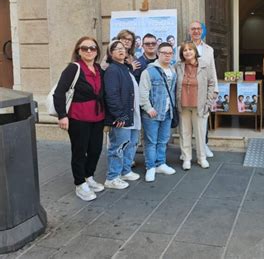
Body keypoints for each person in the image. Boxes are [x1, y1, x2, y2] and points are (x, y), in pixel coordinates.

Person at [53, 36, 105, 201]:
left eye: (92, 48)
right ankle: (80, 183)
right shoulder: (73, 69)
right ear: (78, 51)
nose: (89, 51)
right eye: (85, 48)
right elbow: (59, 92)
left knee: (96, 149)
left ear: (97, 51)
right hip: (78, 118)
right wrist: (62, 115)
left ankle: (88, 176)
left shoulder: (98, 69)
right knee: (79, 151)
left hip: (98, 117)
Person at [103, 40, 141, 190]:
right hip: (121, 117)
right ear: (110, 53)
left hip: (131, 114)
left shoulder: (125, 68)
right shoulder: (112, 70)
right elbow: (111, 95)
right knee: (118, 146)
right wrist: (118, 115)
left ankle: (125, 171)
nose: (121, 50)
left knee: (130, 143)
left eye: (123, 48)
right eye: (116, 49)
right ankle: (112, 177)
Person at [139, 42, 177, 182]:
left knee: (163, 140)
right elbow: (143, 92)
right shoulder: (148, 71)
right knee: (151, 141)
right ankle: (150, 167)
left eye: (170, 53)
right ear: (158, 54)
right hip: (152, 113)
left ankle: (160, 163)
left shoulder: (173, 71)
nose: (167, 55)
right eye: (164, 53)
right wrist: (148, 108)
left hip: (168, 112)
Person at [176, 42, 216, 170]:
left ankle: (201, 158)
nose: (187, 52)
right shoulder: (177, 66)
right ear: (181, 53)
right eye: (185, 50)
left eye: (190, 49)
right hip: (183, 105)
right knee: (184, 133)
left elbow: (212, 84)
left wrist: (208, 102)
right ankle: (186, 158)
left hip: (200, 105)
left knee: (200, 133)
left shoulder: (205, 65)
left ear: (195, 51)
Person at [187, 21, 218, 157]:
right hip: (188, 90)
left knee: (203, 118)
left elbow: (212, 70)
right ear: (189, 31)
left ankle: (203, 146)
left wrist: (214, 89)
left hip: (204, 89)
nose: (196, 31)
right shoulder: (183, 48)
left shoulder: (209, 49)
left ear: (202, 31)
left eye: (198, 29)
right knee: (187, 123)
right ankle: (186, 151)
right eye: (193, 29)